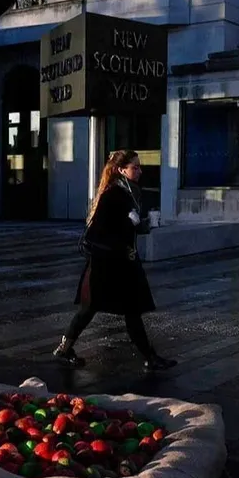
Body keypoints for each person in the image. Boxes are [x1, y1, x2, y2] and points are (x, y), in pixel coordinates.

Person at [52, 149, 178, 371]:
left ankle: (150, 357)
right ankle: (64, 349)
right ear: (121, 170)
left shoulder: (127, 191)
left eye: (139, 166)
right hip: (107, 263)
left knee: (127, 310)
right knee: (91, 308)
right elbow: (101, 231)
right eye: (135, 167)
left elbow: (128, 224)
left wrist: (139, 224)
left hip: (119, 262)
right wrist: (135, 227)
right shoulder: (115, 194)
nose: (139, 170)